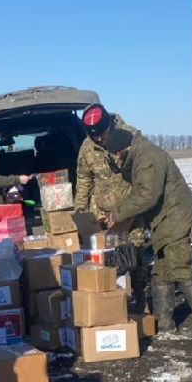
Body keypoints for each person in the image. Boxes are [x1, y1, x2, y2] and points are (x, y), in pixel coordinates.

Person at [103, 128, 192, 339]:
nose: (114, 159)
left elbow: (147, 195)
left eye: (113, 154)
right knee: (162, 270)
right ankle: (164, 324)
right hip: (163, 218)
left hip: (175, 215)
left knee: (179, 264)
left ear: (120, 150)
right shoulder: (139, 157)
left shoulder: (147, 158)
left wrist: (118, 213)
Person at [76, 103, 150, 311]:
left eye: (101, 134)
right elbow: (84, 179)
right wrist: (80, 211)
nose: (98, 139)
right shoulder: (87, 147)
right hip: (103, 215)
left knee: (135, 257)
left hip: (131, 212)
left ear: (110, 124)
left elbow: (146, 177)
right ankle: (113, 307)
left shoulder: (131, 137)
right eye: (94, 136)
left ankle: (139, 304)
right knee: (108, 260)